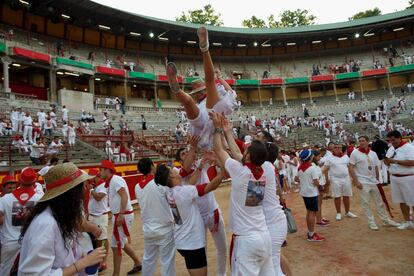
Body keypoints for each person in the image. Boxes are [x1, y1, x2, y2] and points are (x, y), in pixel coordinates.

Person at [211, 111, 275, 275]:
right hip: (264, 236)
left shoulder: (240, 171)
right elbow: (239, 155)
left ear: (248, 157)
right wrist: (227, 132)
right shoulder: (266, 169)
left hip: (246, 240)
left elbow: (218, 149)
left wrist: (217, 129)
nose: (244, 150)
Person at [18, 163, 106, 274]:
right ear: (71, 193)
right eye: (82, 187)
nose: (84, 190)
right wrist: (84, 262)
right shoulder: (45, 224)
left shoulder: (61, 216)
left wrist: (83, 258)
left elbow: (63, 259)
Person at [166, 27, 237, 150]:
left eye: (200, 91)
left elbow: (230, 91)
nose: (199, 94)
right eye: (197, 92)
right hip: (203, 121)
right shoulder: (200, 103)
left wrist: (220, 78)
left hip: (211, 115)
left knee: (208, 84)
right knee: (188, 102)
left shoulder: (212, 95)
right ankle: (176, 88)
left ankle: (205, 49)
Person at [155, 163, 225, 276]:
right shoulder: (185, 192)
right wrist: (223, 172)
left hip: (182, 240)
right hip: (192, 244)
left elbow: (187, 185)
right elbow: (211, 186)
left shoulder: (169, 192)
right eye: (172, 169)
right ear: (172, 176)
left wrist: (200, 168)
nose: (175, 168)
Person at [99, 160, 142, 275]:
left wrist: (121, 214)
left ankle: (116, 274)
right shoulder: (111, 181)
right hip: (119, 215)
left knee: (115, 245)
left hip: (123, 216)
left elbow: (124, 196)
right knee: (122, 243)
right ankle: (138, 262)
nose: (100, 172)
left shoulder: (116, 180)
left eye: (101, 170)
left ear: (108, 170)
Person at [349, 136, 400, 230]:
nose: (361, 142)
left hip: (373, 181)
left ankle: (385, 220)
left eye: (363, 141)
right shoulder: (355, 153)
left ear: (367, 142)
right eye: (359, 141)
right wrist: (356, 181)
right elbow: (351, 167)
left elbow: (376, 166)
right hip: (362, 181)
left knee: (379, 202)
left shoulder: (373, 153)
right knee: (366, 203)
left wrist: (377, 179)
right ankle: (371, 222)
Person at [135, 158, 175, 276]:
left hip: (148, 230)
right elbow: (173, 204)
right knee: (167, 262)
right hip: (164, 229)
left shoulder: (137, 186)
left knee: (148, 260)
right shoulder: (160, 183)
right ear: (152, 166)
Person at [0, 167, 43, 274]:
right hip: (32, 241)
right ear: (34, 182)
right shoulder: (40, 198)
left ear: (20, 181)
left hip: (10, 242)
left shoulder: (5, 199)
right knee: (32, 270)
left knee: (5, 270)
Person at [384, 130, 414, 230]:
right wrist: (387, 162)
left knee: (413, 201)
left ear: (399, 138)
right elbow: (387, 160)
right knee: (402, 201)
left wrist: (395, 161)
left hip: (408, 178)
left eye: (394, 140)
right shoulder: (391, 149)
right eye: (390, 140)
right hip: (395, 178)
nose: (392, 142)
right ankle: (408, 222)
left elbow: (412, 162)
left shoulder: (409, 147)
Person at [324, 143, 358, 221]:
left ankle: (347, 211)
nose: (337, 149)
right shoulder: (329, 158)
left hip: (346, 178)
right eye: (335, 147)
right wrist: (325, 178)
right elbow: (325, 168)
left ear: (341, 148)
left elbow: (350, 168)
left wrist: (354, 179)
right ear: (332, 149)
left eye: (339, 147)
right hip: (335, 179)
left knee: (346, 195)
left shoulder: (346, 157)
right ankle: (338, 213)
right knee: (337, 196)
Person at [297, 150, 326, 242]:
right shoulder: (311, 168)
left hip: (304, 192)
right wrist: (321, 187)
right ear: (310, 157)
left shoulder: (300, 168)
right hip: (312, 193)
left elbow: (296, 178)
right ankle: (311, 234)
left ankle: (310, 232)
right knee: (312, 213)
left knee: (309, 212)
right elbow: (316, 181)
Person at [85, 168, 109, 271]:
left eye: (93, 178)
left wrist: (90, 189)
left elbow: (99, 197)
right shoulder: (95, 186)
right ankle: (99, 260)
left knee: (102, 239)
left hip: (100, 216)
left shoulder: (103, 185)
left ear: (98, 176)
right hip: (93, 216)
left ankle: (103, 261)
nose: (91, 180)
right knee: (97, 239)